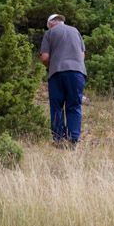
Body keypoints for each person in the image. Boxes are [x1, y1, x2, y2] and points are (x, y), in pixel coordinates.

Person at [39, 13, 87, 148]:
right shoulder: (75, 31)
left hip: (57, 73)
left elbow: (44, 57)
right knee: (74, 105)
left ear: (50, 24)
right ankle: (74, 140)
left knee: (57, 106)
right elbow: (82, 54)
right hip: (78, 72)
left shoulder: (49, 33)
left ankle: (59, 139)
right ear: (61, 21)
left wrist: (52, 65)